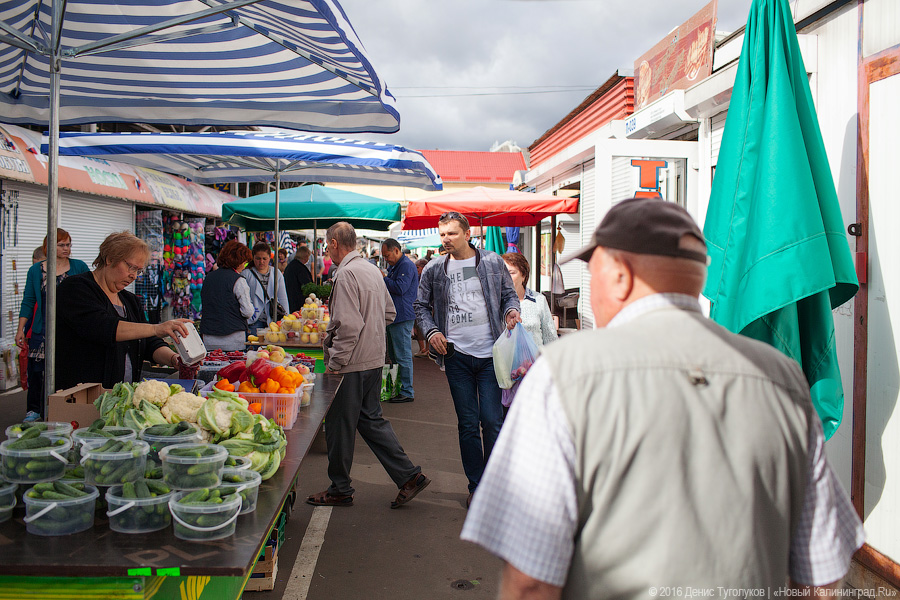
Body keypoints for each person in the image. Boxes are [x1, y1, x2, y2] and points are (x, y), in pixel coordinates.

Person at [461, 198, 865, 599]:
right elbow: (821, 573)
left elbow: (530, 581)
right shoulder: (781, 377)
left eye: (594, 272)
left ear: (621, 276)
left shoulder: (563, 374)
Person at [307, 222, 430, 509]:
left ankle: (340, 488)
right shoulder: (372, 270)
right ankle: (409, 476)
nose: (327, 250)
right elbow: (389, 313)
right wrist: (371, 338)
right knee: (370, 420)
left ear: (334, 243)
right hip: (372, 360)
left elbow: (349, 326)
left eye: (328, 245)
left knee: (340, 426)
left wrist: (336, 362)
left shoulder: (346, 274)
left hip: (352, 364)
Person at [414, 211, 520, 507]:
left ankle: (494, 484)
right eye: (442, 234)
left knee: (492, 421)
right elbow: (420, 305)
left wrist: (511, 311)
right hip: (456, 356)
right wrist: (432, 331)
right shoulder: (435, 268)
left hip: (491, 354)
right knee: (468, 424)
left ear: (467, 234)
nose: (446, 239)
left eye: (452, 233)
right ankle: (476, 486)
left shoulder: (492, 262)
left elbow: (509, 296)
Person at [56, 231, 189, 390]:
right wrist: (156, 328)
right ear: (110, 259)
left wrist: (174, 359)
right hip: (82, 395)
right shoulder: (75, 288)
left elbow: (148, 342)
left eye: (139, 271)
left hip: (121, 396)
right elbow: (103, 327)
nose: (134, 276)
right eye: (131, 267)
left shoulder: (130, 300)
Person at [14, 229, 90, 421]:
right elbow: (28, 300)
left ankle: (65, 409)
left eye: (68, 245)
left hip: (71, 329)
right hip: (42, 330)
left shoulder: (79, 266)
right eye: (61, 245)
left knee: (67, 370)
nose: (66, 249)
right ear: (48, 247)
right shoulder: (35, 270)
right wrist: (20, 329)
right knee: (37, 372)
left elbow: (89, 295)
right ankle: (34, 410)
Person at [199, 240, 257, 351]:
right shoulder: (238, 280)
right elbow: (248, 311)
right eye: (244, 263)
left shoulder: (208, 278)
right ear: (238, 261)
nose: (244, 266)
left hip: (209, 338)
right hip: (233, 338)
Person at [381, 238, 419, 403]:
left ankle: (407, 391)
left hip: (402, 316)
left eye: (387, 255)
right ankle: (398, 388)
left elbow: (400, 287)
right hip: (395, 316)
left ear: (396, 250)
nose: (386, 259)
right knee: (395, 355)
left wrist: (384, 277)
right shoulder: (397, 265)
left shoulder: (406, 265)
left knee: (402, 355)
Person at [501, 253, 557, 349]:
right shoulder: (496, 302)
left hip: (536, 357)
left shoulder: (538, 299)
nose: (506, 277)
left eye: (512, 273)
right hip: (506, 357)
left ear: (523, 275)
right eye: (503, 273)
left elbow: (550, 338)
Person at [243, 242, 288, 330]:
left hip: (273, 320)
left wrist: (286, 319)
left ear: (269, 257)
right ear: (253, 258)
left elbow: (282, 298)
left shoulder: (276, 273)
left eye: (264, 258)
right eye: (258, 258)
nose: (261, 262)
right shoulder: (246, 274)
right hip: (253, 321)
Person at [283, 245, 313, 312]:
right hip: (298, 301)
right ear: (305, 257)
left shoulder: (290, 266)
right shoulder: (300, 268)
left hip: (289, 298)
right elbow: (307, 284)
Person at [413, 259, 430, 357]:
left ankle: (425, 349)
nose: (416, 269)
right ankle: (424, 349)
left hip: (425, 304)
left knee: (424, 327)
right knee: (420, 327)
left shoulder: (425, 276)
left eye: (418, 267)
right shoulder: (419, 276)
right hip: (423, 304)